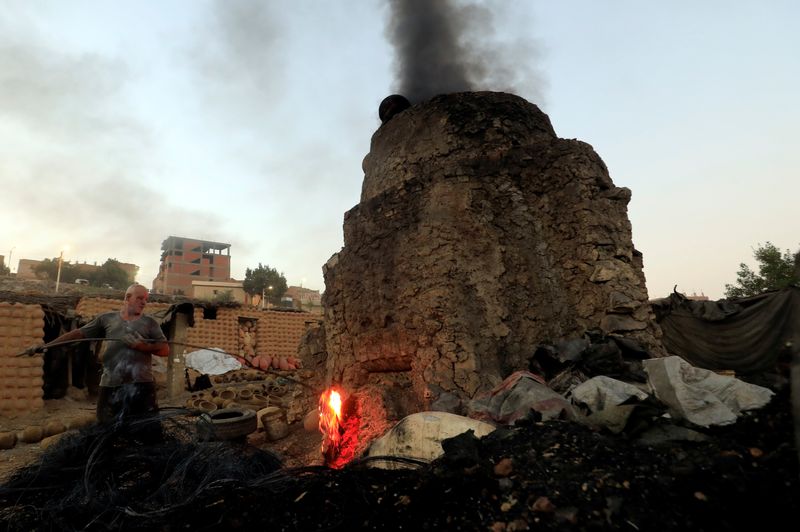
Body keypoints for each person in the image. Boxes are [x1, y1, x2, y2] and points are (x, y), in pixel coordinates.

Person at [29, 284, 170, 425]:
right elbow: (79, 334)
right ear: (127, 298)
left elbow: (165, 350)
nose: (144, 302)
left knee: (147, 429)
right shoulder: (107, 319)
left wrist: (141, 346)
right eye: (140, 298)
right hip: (111, 384)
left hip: (142, 384)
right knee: (106, 427)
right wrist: (47, 345)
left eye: (145, 299)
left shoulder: (150, 323)